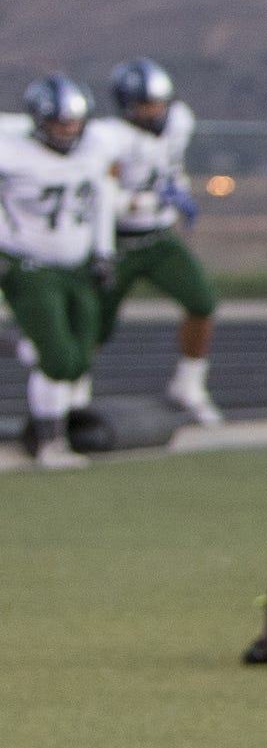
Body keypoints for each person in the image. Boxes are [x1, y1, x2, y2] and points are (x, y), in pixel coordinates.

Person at [2, 76, 121, 468]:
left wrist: (105, 252)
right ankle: (50, 442)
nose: (68, 131)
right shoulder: (12, 150)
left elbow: (103, 201)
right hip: (31, 267)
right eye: (59, 123)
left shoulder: (94, 149)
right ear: (38, 121)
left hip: (77, 267)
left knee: (79, 355)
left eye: (73, 123)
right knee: (57, 358)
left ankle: (54, 422)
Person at [98, 59, 223, 425]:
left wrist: (177, 192)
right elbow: (105, 198)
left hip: (158, 238)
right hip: (118, 241)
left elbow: (172, 168)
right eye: (146, 105)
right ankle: (73, 397)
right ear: (126, 105)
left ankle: (189, 386)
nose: (156, 111)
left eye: (160, 103)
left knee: (202, 302)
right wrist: (150, 200)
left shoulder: (179, 121)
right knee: (95, 327)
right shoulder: (109, 138)